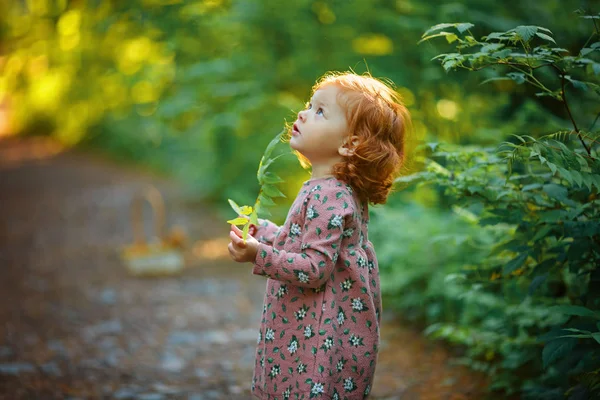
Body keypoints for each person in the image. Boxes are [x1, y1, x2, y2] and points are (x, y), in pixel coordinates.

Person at [228, 71, 411, 400]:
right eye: (310, 105)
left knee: (309, 387)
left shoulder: (329, 194)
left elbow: (314, 268)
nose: (302, 113)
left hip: (318, 328)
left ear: (349, 143)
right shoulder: (334, 189)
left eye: (320, 111)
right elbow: (307, 239)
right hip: (320, 322)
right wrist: (265, 232)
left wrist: (259, 253)